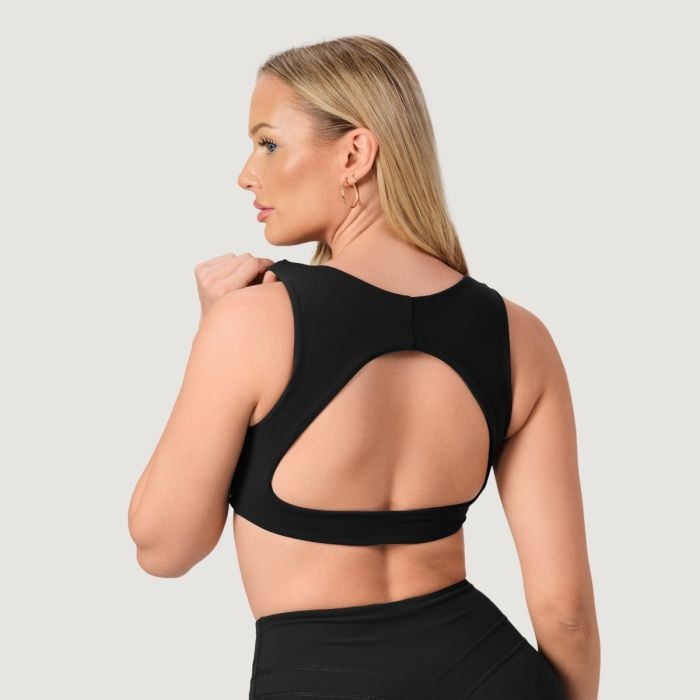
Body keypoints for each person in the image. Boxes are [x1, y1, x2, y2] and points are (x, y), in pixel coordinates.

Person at [128, 35, 600, 699]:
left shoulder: (252, 324)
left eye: (268, 143)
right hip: (494, 676)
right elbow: (566, 611)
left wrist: (213, 335)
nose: (246, 174)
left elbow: (164, 548)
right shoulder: (522, 336)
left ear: (354, 154)